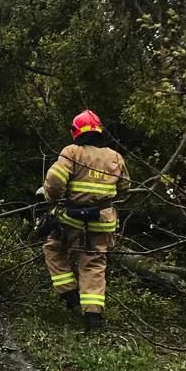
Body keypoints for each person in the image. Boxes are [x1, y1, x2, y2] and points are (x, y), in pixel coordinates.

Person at [41, 109, 129, 330]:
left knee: (54, 248)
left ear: (76, 131)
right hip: (103, 220)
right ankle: (93, 318)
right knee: (94, 264)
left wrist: (51, 199)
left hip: (73, 219)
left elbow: (54, 181)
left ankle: (70, 294)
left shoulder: (73, 152)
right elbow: (125, 188)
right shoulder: (115, 157)